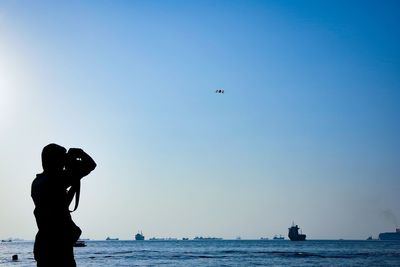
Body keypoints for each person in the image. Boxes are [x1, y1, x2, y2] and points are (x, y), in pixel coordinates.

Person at [31, 143, 96, 267]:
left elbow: (60, 205)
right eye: (62, 157)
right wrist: (80, 153)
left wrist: (74, 181)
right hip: (58, 245)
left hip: (44, 244)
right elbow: (91, 165)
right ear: (54, 160)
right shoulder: (55, 179)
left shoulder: (37, 182)